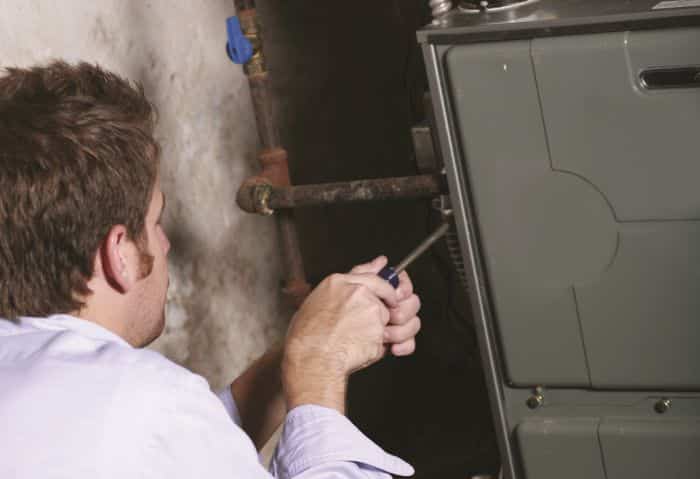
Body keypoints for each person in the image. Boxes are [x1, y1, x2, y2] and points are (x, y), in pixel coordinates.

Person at [0, 61, 422, 478]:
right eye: (155, 223)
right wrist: (319, 365)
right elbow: (155, 429)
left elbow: (178, 452)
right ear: (118, 253)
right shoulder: (140, 399)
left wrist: (301, 345)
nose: (164, 245)